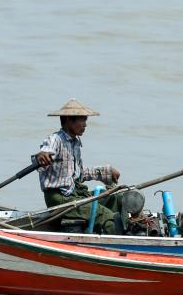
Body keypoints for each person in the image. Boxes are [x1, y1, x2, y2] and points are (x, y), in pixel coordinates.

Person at [34, 98, 122, 233]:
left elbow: (79, 175)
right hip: (60, 198)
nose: (85, 125)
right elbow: (45, 152)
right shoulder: (55, 139)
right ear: (69, 119)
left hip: (74, 194)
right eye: (82, 120)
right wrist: (41, 156)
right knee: (105, 215)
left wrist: (106, 173)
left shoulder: (75, 143)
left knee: (113, 198)